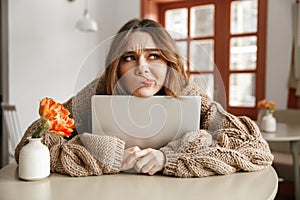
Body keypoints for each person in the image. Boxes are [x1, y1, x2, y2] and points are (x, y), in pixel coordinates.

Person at [15, 18, 273, 177]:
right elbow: (29, 145)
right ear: (118, 66)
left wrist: (169, 158)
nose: (142, 67)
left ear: (168, 61)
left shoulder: (185, 91)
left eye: (153, 56)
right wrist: (107, 156)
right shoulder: (98, 91)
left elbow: (254, 149)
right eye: (130, 58)